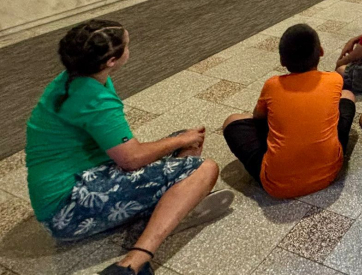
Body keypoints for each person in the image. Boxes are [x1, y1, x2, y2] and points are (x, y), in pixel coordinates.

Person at [26, 20, 232, 275]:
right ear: (112, 60)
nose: (129, 49)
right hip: (66, 208)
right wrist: (181, 142)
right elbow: (131, 159)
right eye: (127, 45)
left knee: (184, 140)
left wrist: (181, 140)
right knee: (204, 168)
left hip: (78, 178)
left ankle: (163, 211)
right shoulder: (94, 98)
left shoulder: (76, 77)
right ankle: (134, 262)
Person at [222, 24, 357, 198]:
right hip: (329, 173)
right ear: (321, 51)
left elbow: (258, 118)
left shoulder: (272, 85)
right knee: (347, 96)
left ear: (282, 61)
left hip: (277, 185)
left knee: (232, 120)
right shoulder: (334, 79)